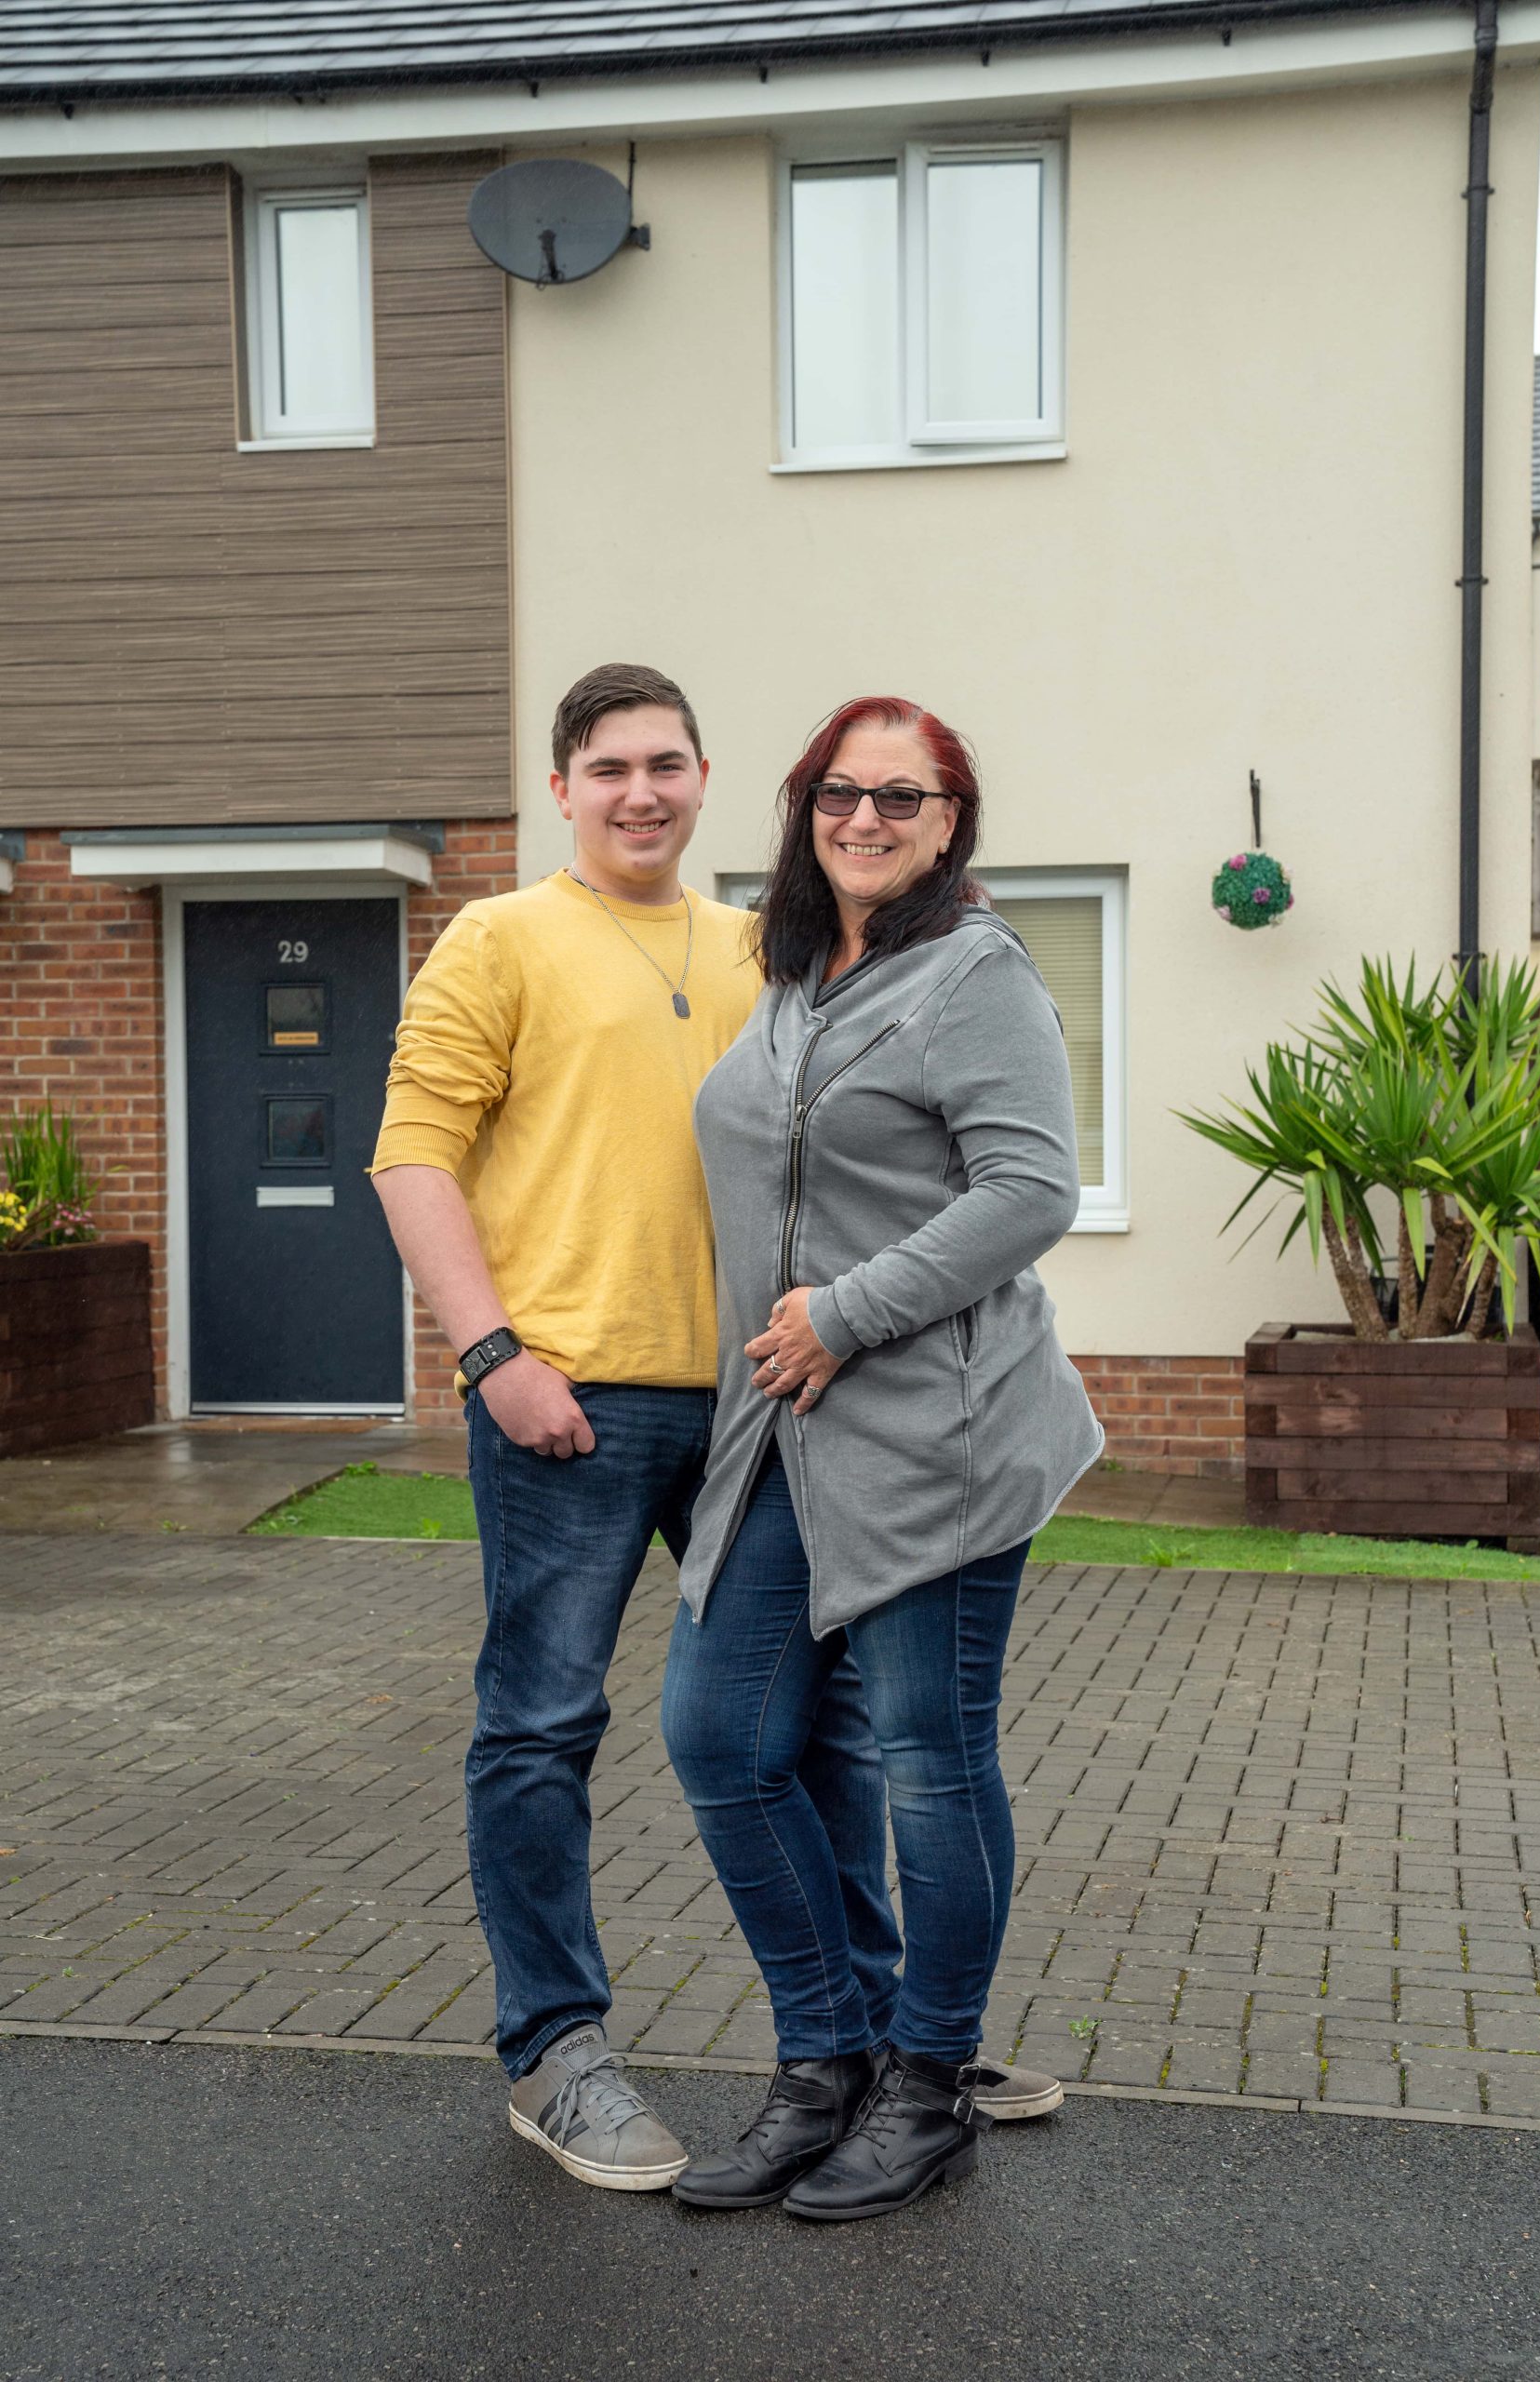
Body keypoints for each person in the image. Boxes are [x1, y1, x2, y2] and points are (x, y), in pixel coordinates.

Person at [370, 664, 1058, 2194]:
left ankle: (892, 2044)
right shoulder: (500, 939)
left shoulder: (774, 948)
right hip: (574, 1401)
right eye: (607, 766)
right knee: (544, 1726)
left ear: (702, 778)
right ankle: (559, 2052)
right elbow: (412, 1156)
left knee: (817, 1737)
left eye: (666, 763)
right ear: (562, 787)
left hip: (778, 1405)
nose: (639, 792)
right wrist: (492, 1356)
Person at [663, 696, 1103, 2222]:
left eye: (901, 800)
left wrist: (846, 1314)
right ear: (803, 809)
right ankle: (824, 2064)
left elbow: (1032, 1189)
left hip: (941, 1434)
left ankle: (929, 2084)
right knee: (719, 1736)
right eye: (840, 794)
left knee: (930, 1757)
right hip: (780, 1428)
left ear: (950, 820)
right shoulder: (792, 974)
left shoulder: (976, 974)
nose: (866, 819)